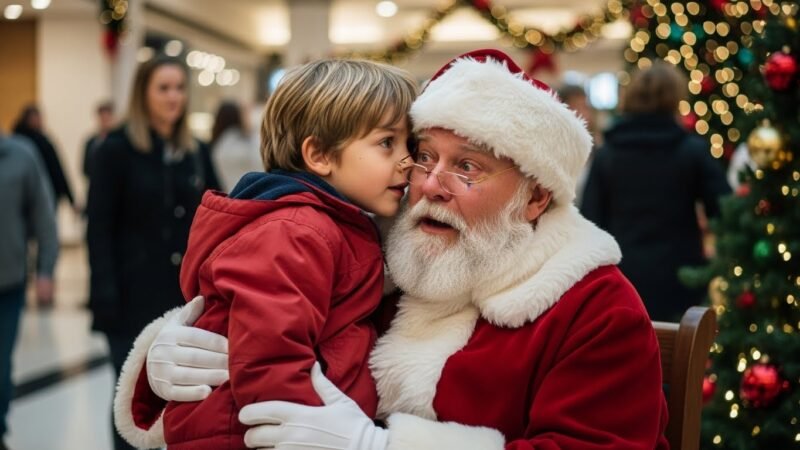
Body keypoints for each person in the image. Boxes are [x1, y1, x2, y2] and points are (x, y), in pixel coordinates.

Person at [113, 49, 668, 450]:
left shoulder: (593, 307)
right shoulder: (387, 259)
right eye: (423, 156)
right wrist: (175, 343)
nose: (428, 184)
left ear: (535, 196)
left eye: (468, 166)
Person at [121, 59, 415, 450]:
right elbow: (270, 363)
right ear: (320, 155)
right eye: (386, 143)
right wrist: (314, 427)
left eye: (410, 145)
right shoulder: (297, 232)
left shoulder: (332, 225)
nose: (407, 161)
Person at [86, 55, 220, 450]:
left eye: (179, 87)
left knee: (180, 396)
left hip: (180, 296)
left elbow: (215, 214)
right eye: (163, 88)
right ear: (143, 93)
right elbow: (99, 227)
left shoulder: (195, 150)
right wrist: (104, 293)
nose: (173, 96)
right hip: (129, 293)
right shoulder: (115, 149)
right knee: (133, 400)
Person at [580, 62, 731, 321]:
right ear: (675, 97)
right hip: (682, 276)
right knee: (682, 356)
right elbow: (724, 209)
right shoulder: (690, 150)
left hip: (622, 279)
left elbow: (589, 219)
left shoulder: (608, 154)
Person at [0, 133, 59, 450]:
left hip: (7, 284)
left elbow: (43, 216)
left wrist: (46, 271)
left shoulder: (21, 156)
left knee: (0, 366)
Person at [12, 105, 76, 210]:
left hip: (40, 192)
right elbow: (56, 169)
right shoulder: (27, 143)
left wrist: (70, 198)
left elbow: (57, 169)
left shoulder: (38, 141)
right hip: (33, 193)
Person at [209, 100, 261, 191]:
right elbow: (259, 158)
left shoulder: (219, 144)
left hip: (229, 194)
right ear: (237, 116)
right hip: (248, 196)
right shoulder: (236, 143)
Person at [82, 101, 115, 182]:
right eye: (102, 118)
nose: (104, 121)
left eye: (107, 118)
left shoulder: (118, 141)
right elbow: (85, 168)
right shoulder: (91, 142)